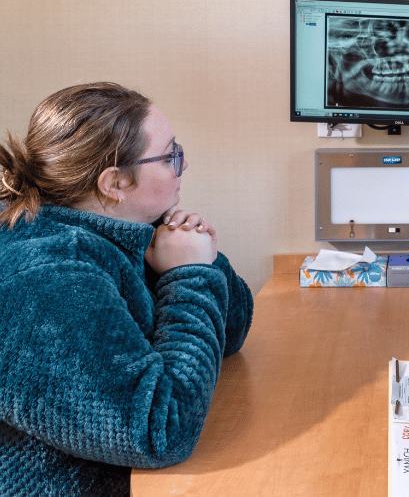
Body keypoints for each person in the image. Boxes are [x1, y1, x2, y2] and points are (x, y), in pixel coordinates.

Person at [0, 82, 253, 496]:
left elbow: (232, 330)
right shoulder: (49, 278)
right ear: (114, 183)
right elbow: (158, 433)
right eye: (171, 155)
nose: (183, 166)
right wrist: (189, 273)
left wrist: (195, 253)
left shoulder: (123, 230)